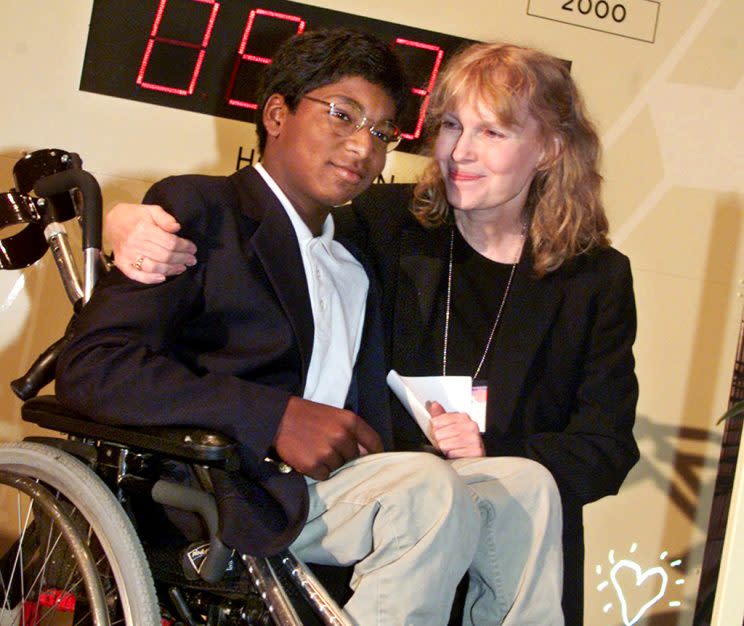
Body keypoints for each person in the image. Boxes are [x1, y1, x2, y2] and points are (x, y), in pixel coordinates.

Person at [58, 31, 564, 626]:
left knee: (526, 488)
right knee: (427, 489)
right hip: (223, 483)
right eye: (343, 116)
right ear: (277, 113)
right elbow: (93, 367)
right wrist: (275, 417)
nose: (362, 147)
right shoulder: (200, 211)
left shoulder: (355, 254)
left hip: (336, 488)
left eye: (381, 133)